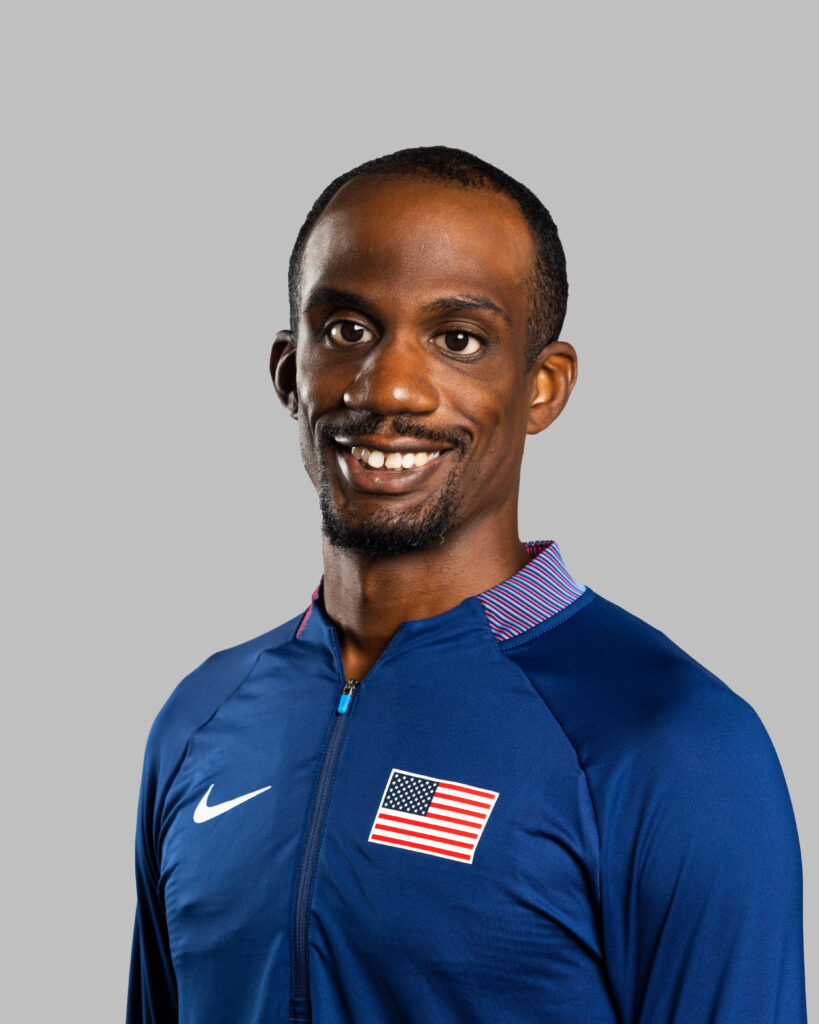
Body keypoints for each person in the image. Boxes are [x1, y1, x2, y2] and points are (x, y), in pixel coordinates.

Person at [127, 146, 807, 1023]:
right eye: (346, 330)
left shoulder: (674, 743)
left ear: (542, 387)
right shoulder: (199, 723)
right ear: (288, 371)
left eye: (457, 340)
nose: (392, 387)